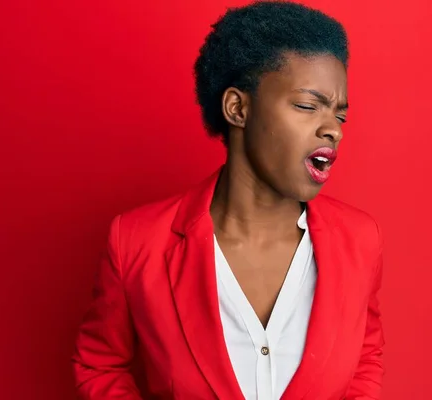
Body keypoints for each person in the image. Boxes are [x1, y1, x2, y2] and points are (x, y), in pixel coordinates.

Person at [72, 1, 384, 399]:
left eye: (340, 115)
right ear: (238, 108)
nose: (333, 130)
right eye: (308, 106)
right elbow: (99, 363)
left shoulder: (361, 240)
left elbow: (366, 356)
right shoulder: (136, 242)